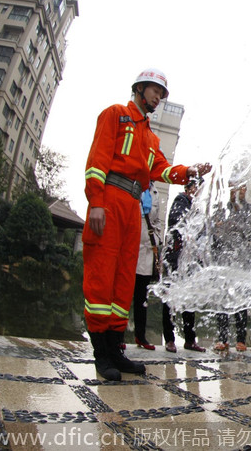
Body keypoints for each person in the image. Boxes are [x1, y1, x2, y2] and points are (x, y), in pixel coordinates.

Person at [82, 68, 211, 381]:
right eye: (154, 90)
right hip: (110, 200)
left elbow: (163, 171)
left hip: (132, 207)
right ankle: (102, 354)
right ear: (139, 88)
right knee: (102, 275)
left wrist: (190, 171)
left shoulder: (151, 137)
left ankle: (116, 349)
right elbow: (97, 161)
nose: (158, 97)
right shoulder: (115, 115)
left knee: (124, 280)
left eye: (162, 93)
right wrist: (96, 202)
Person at [162, 179, 206, 353]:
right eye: (196, 188)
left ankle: (189, 339)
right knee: (169, 297)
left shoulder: (197, 207)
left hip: (188, 259)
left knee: (189, 297)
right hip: (175, 257)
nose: (198, 191)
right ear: (189, 188)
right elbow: (175, 219)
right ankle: (170, 339)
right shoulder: (181, 200)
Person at [213, 183, 251, 352]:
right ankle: (222, 338)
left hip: (240, 261)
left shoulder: (248, 209)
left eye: (243, 188)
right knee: (223, 300)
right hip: (223, 260)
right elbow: (213, 231)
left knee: (241, 300)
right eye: (235, 188)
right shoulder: (221, 208)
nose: (239, 191)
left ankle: (241, 339)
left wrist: (240, 228)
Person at [130, 188, 161, 351]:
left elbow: (157, 222)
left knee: (142, 296)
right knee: (124, 294)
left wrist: (156, 238)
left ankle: (140, 335)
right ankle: (117, 334)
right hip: (130, 246)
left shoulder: (155, 193)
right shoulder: (133, 186)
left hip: (147, 249)